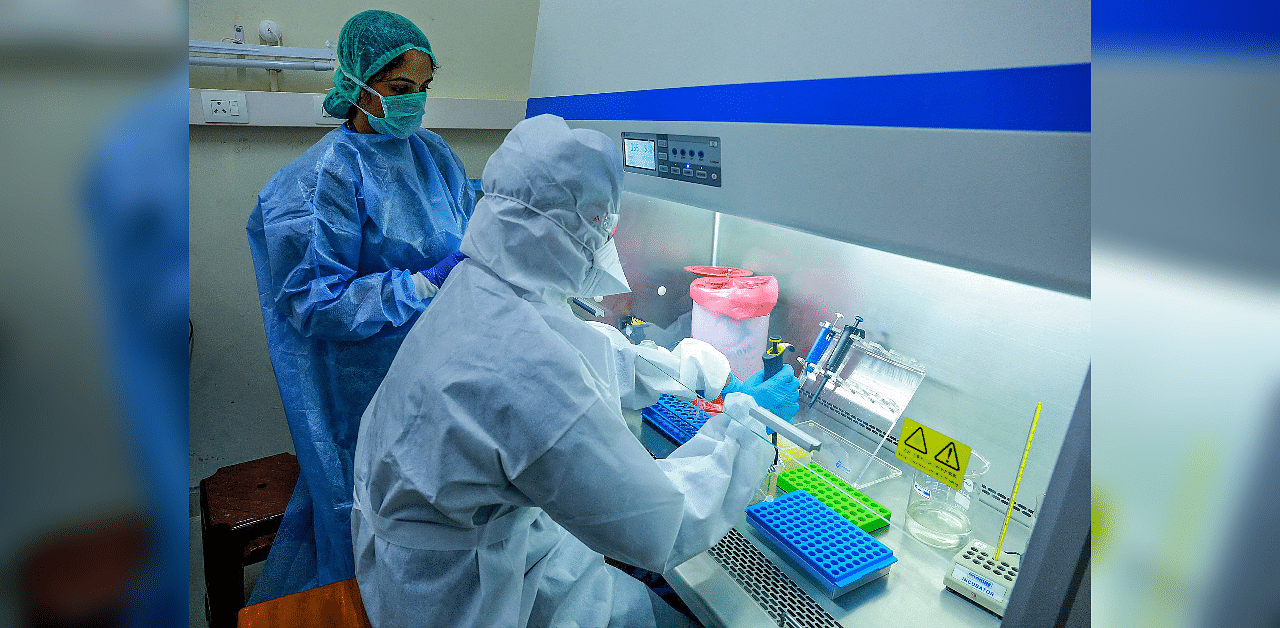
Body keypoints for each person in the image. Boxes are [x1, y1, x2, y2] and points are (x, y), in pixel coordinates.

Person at [351, 114, 782, 628]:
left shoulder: (480, 286)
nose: (607, 247)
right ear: (570, 234)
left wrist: (687, 367)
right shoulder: (524, 366)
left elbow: (572, 344)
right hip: (463, 598)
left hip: (455, 553)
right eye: (604, 230)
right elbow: (659, 525)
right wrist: (746, 435)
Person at [245, 10, 475, 602]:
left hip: (440, 371)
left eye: (422, 90)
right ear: (359, 85)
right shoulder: (320, 178)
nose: (414, 105)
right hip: (365, 387)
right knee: (372, 523)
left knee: (439, 523)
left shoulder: (436, 156)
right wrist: (422, 283)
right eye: (399, 91)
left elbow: (471, 232)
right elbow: (315, 303)